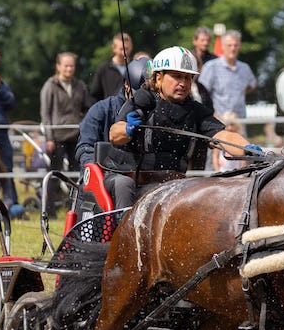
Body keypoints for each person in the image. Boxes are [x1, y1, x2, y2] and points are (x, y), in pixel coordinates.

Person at [75, 46, 254, 210]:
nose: (183, 83)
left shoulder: (196, 111)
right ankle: (120, 239)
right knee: (123, 185)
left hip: (176, 184)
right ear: (159, 78)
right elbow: (115, 134)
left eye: (187, 77)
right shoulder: (143, 101)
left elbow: (223, 135)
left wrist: (248, 149)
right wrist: (128, 128)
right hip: (136, 183)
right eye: (176, 76)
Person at [39, 51, 89, 212]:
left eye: (72, 65)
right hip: (57, 136)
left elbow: (86, 107)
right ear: (58, 66)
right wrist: (49, 137)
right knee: (54, 174)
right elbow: (45, 113)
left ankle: (74, 208)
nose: (69, 69)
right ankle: (49, 209)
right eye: (66, 65)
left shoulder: (80, 85)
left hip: (76, 135)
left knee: (77, 173)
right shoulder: (50, 85)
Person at [197, 29, 256, 119]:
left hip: (240, 121)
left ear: (240, 46)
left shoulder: (245, 68)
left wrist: (238, 93)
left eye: (235, 45)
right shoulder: (211, 67)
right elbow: (201, 93)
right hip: (218, 121)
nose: (233, 48)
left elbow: (252, 85)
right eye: (229, 45)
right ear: (223, 46)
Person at [90, 32, 133, 103]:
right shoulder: (103, 68)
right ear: (114, 48)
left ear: (131, 47)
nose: (124, 52)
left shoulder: (135, 67)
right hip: (110, 110)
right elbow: (95, 94)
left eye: (127, 48)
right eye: (121, 49)